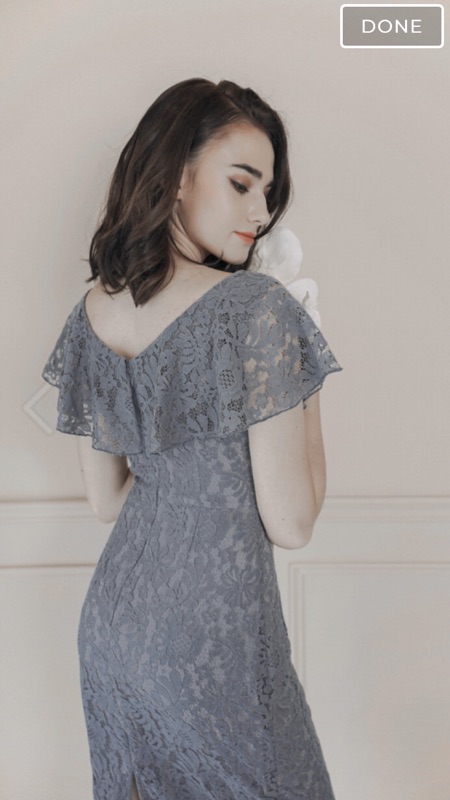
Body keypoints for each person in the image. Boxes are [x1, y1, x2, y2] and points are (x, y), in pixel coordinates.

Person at [42, 77, 341, 800]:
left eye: (267, 193)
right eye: (241, 183)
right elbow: (293, 522)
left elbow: (107, 501)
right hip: (213, 645)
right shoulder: (258, 308)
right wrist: (301, 370)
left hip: (114, 631)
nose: (260, 213)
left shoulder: (94, 310)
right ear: (177, 175)